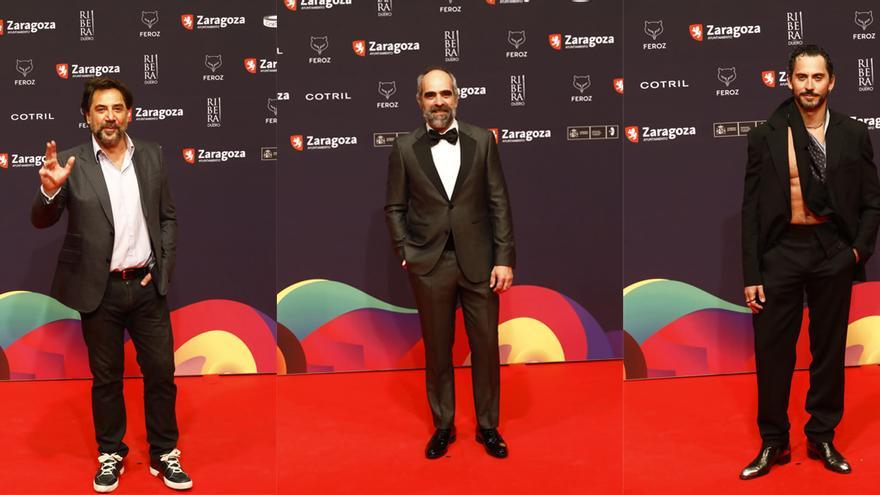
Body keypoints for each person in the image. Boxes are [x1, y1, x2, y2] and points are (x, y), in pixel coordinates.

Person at [30, 77, 192, 492]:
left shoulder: (152, 156)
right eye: (100, 109)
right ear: (87, 117)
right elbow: (41, 220)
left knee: (161, 372)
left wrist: (165, 267)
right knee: (106, 378)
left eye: (117, 108)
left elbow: (168, 217)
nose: (109, 116)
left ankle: (164, 453)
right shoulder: (70, 163)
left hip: (145, 286)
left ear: (129, 114)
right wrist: (49, 192)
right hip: (98, 290)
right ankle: (110, 453)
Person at [740, 44, 880, 479]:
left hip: (832, 250)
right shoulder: (766, 134)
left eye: (817, 77)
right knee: (773, 351)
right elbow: (751, 210)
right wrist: (752, 273)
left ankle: (822, 435)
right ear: (790, 81)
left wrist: (856, 251)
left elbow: (873, 203)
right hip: (782, 250)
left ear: (831, 81)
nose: (809, 86)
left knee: (828, 349)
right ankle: (774, 442)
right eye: (801, 77)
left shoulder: (853, 134)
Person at [385, 67, 515, 459]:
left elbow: (499, 203)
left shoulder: (482, 141)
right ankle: (443, 425)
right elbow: (394, 207)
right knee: (438, 350)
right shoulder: (405, 148)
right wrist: (406, 252)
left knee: (486, 347)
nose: (438, 101)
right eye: (430, 95)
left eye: (445, 94)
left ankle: (488, 427)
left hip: (479, 261)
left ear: (456, 98)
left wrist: (503, 259)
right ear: (420, 102)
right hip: (429, 264)